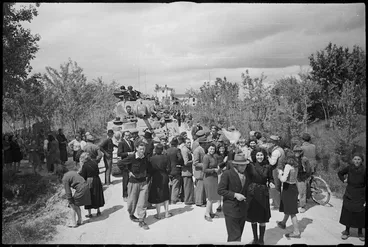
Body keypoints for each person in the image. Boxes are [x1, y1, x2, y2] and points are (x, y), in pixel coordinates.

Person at [117, 142, 152, 230]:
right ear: (136, 148)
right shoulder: (131, 157)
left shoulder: (145, 158)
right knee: (132, 201)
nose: (142, 151)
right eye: (140, 149)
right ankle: (131, 214)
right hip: (133, 183)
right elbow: (120, 163)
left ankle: (141, 220)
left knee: (142, 202)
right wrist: (128, 172)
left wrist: (147, 175)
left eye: (143, 149)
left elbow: (149, 168)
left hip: (143, 183)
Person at [218, 154, 249, 242]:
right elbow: (220, 190)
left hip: (242, 209)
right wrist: (235, 195)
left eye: (245, 165)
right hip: (231, 209)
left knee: (238, 234)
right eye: (242, 165)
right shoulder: (227, 174)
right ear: (236, 165)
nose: (244, 167)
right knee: (234, 236)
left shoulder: (246, 174)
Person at [246, 147, 274, 245]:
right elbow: (246, 179)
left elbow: (271, 178)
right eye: (258, 155)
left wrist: (271, 182)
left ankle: (261, 239)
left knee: (262, 217)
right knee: (253, 218)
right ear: (254, 155)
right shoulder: (250, 166)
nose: (259, 157)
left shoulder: (268, 166)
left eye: (261, 155)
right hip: (252, 192)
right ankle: (255, 238)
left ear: (264, 155)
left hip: (263, 192)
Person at [337, 153, 365, 242]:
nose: (356, 161)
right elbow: (340, 173)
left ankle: (360, 232)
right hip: (349, 192)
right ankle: (347, 231)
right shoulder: (349, 168)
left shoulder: (364, 170)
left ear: (362, 161)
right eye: (355, 159)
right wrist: (344, 180)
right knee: (348, 212)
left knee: (361, 213)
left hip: (360, 194)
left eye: (359, 159)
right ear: (352, 160)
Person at [276, 149, 300, 238]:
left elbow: (283, 179)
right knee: (289, 207)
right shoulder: (296, 166)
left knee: (292, 211)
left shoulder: (288, 166)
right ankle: (283, 223)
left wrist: (279, 174)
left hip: (288, 188)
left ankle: (296, 231)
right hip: (294, 187)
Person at [62, 163, 91, 228]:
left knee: (73, 206)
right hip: (86, 185)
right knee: (76, 204)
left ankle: (74, 223)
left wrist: (70, 200)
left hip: (81, 188)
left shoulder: (64, 178)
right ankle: (80, 220)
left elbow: (68, 191)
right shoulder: (72, 172)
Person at [148, 144, 172, 219]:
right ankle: (166, 213)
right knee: (166, 194)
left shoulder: (152, 159)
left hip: (155, 177)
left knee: (157, 195)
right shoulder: (166, 157)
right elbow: (169, 169)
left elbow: (149, 170)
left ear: (155, 149)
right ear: (162, 150)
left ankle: (158, 214)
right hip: (164, 176)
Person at [78, 152, 105, 218]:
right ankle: (98, 211)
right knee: (97, 195)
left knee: (89, 196)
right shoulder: (95, 163)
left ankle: (89, 213)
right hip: (97, 180)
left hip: (89, 181)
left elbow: (84, 175)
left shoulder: (85, 165)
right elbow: (98, 172)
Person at [203, 143, 221, 221]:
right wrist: (213, 170)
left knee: (213, 196)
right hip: (209, 178)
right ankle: (207, 213)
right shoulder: (206, 157)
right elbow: (204, 169)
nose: (212, 150)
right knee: (210, 197)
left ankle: (211, 212)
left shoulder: (214, 156)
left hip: (214, 178)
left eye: (213, 149)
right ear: (207, 149)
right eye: (211, 149)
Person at [268, 135, 285, 209]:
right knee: (278, 185)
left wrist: (268, 157)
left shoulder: (276, 151)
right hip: (280, 169)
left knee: (276, 186)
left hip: (276, 170)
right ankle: (278, 202)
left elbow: (272, 163)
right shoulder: (281, 149)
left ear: (273, 142)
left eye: (270, 142)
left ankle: (277, 204)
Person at [117, 130, 135, 201]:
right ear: (124, 136)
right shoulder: (122, 143)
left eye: (129, 135)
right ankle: (125, 195)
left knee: (132, 178)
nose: (128, 136)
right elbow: (119, 153)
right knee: (125, 179)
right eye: (126, 135)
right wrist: (128, 153)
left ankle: (131, 193)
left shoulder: (132, 142)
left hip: (131, 162)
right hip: (125, 163)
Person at [293, 145, 312, 213]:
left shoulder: (304, 159)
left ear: (301, 152)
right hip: (294, 177)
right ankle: (295, 204)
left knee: (302, 193)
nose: (297, 153)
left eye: (298, 151)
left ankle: (303, 206)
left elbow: (308, 169)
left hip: (302, 177)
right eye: (295, 151)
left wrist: (306, 177)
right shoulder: (293, 159)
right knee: (294, 192)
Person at [193, 136, 209, 207]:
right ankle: (199, 202)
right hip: (199, 172)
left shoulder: (202, 149)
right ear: (203, 143)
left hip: (202, 172)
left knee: (202, 187)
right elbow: (195, 163)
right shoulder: (197, 150)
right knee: (199, 187)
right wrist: (205, 164)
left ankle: (202, 200)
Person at [167, 138, 184, 204]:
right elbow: (180, 158)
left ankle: (169, 198)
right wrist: (180, 164)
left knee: (170, 185)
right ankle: (174, 199)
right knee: (176, 185)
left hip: (168, 169)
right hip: (176, 169)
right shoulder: (177, 150)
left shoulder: (167, 150)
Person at [180, 138, 195, 205]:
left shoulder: (187, 149)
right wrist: (193, 160)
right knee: (187, 186)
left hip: (188, 171)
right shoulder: (185, 150)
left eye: (190, 142)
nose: (189, 144)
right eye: (188, 142)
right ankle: (188, 200)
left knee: (188, 186)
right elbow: (186, 162)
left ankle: (189, 199)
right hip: (186, 171)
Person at [215, 143, 228, 212]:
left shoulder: (227, 155)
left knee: (226, 189)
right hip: (219, 174)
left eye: (223, 148)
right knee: (220, 189)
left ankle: (225, 204)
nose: (222, 150)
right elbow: (217, 166)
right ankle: (219, 204)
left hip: (226, 173)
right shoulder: (216, 156)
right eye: (220, 148)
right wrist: (224, 162)